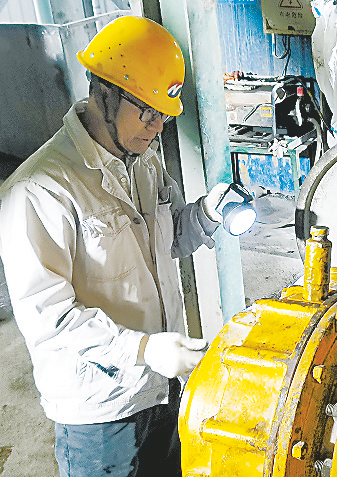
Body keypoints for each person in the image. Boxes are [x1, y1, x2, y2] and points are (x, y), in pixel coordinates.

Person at [0, 16, 231, 477]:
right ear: (103, 92)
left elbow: (166, 242)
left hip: (161, 389)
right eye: (146, 112)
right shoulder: (41, 189)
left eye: (163, 115)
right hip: (100, 413)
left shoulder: (141, 162)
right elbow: (50, 320)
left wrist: (207, 214)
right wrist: (144, 349)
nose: (156, 128)